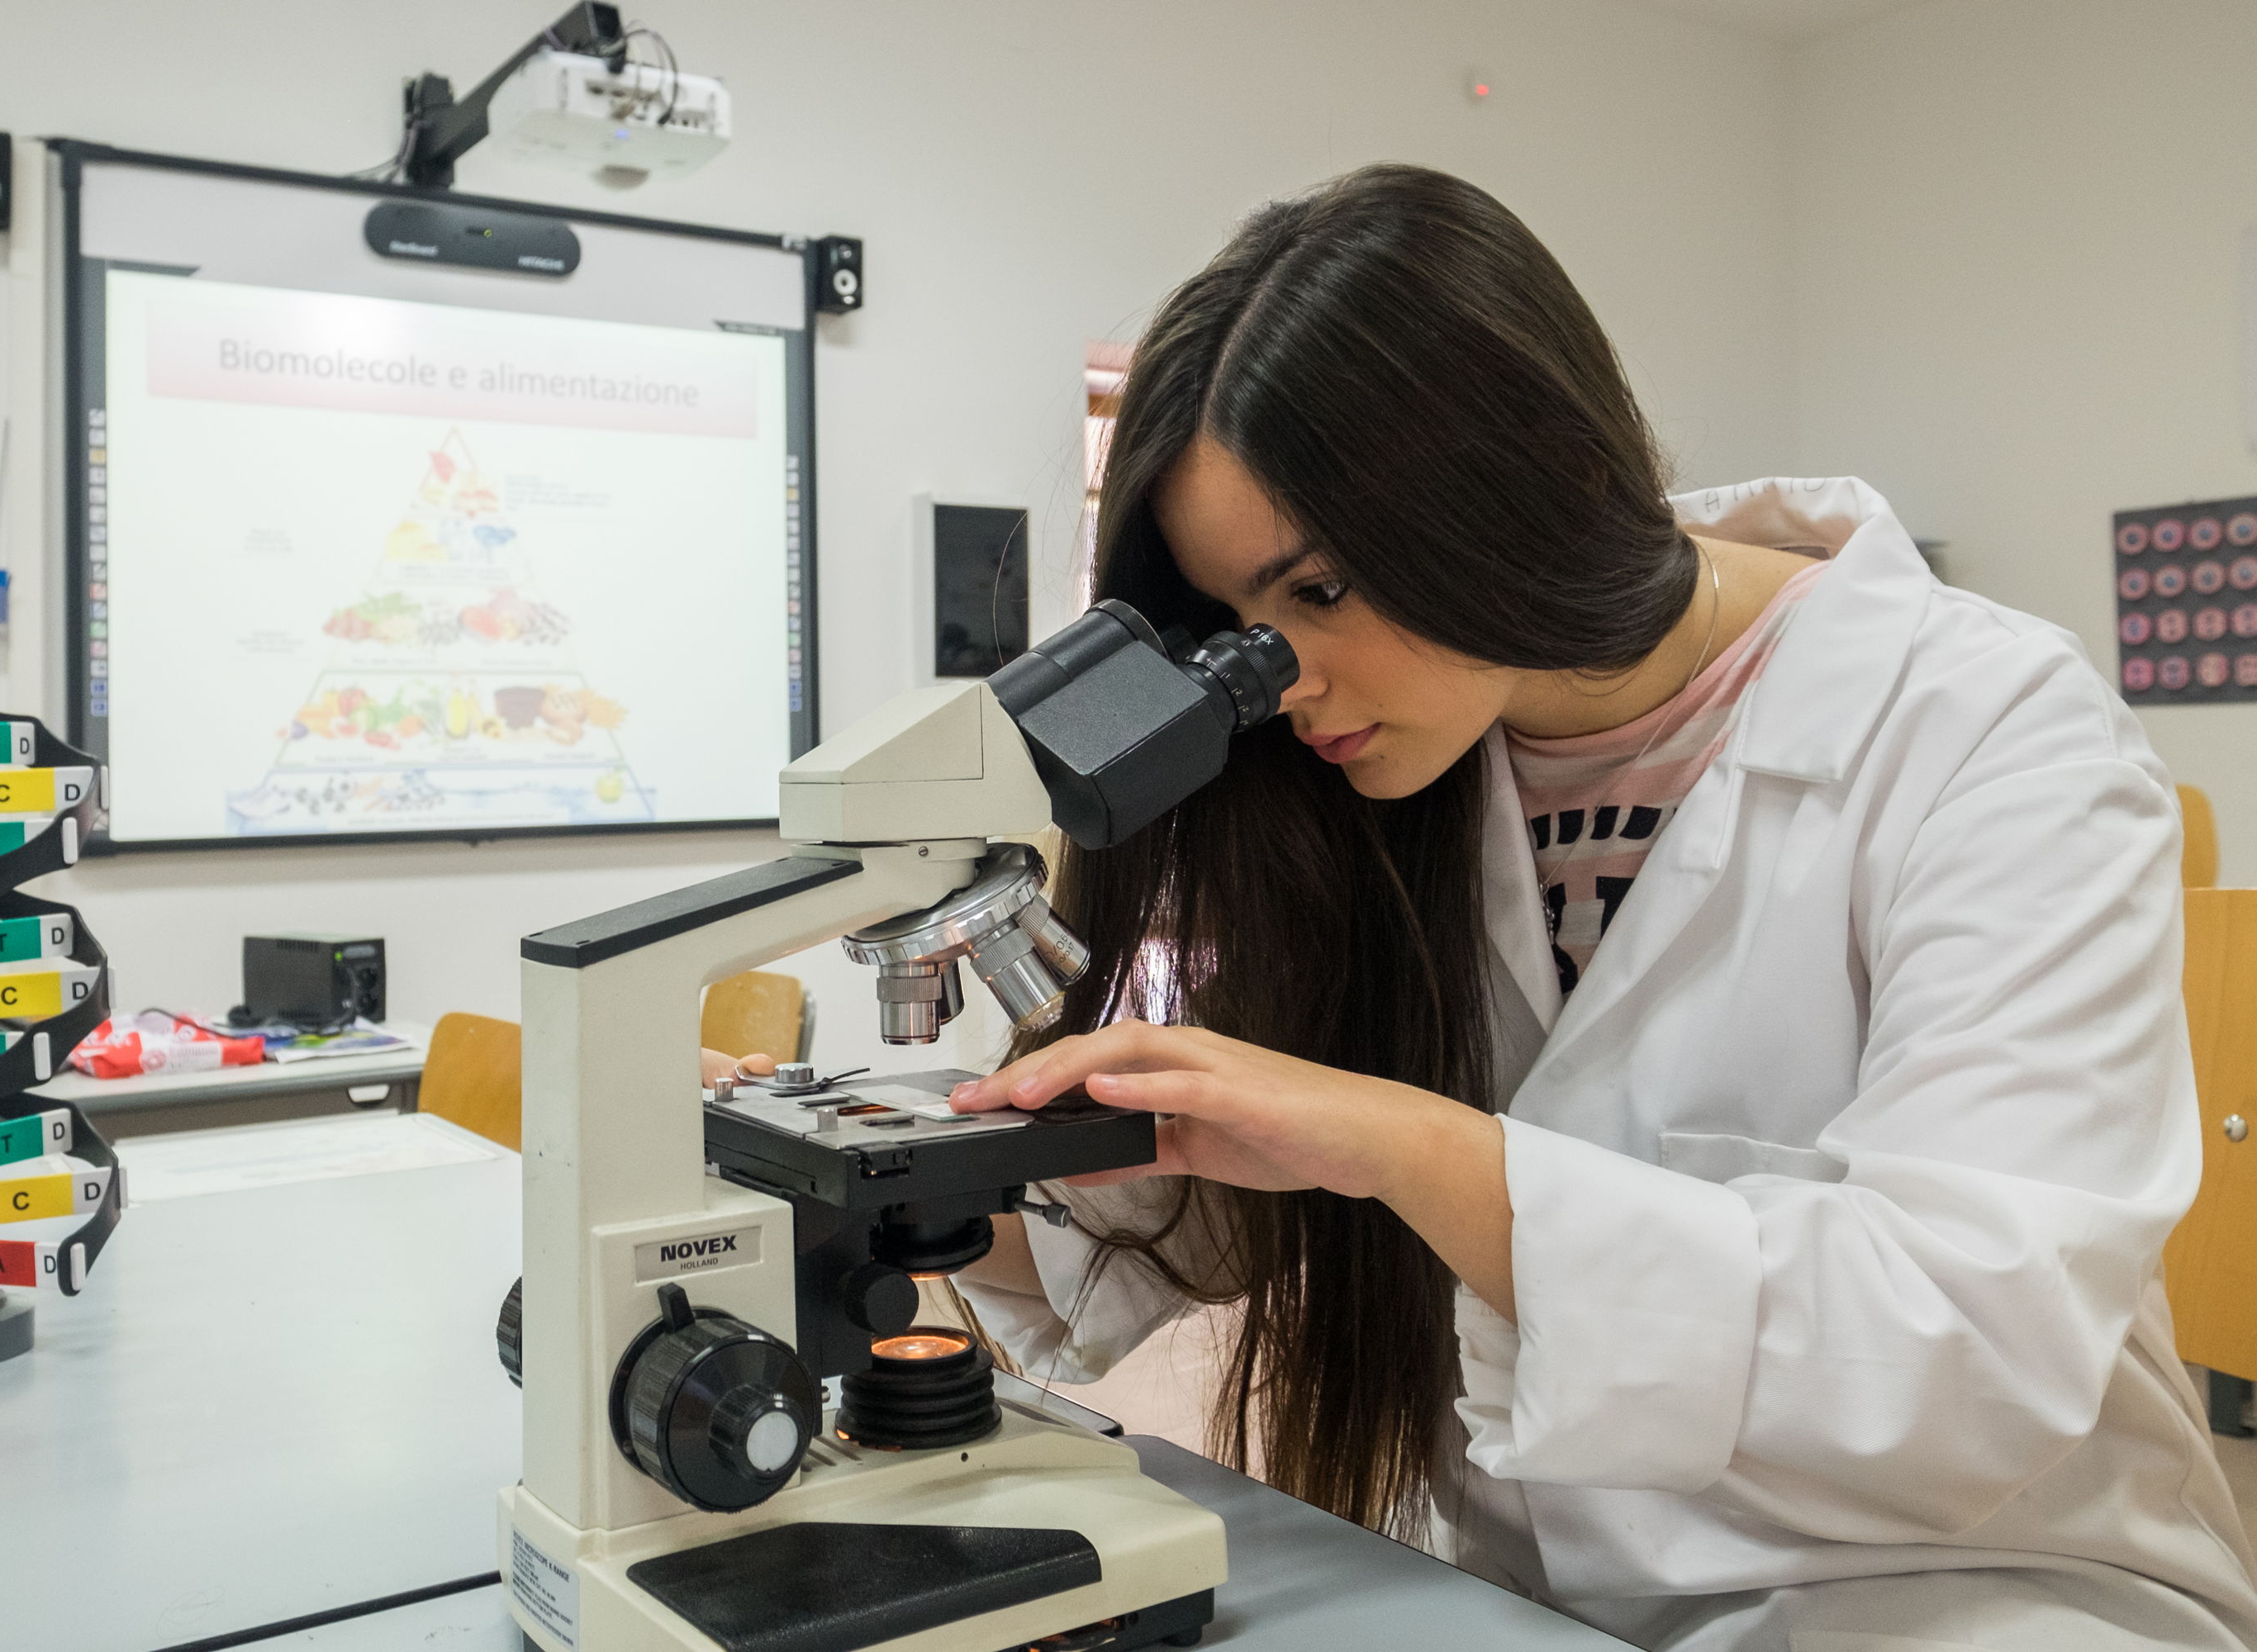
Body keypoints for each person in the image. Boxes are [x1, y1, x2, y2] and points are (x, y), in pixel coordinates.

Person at [944, 165, 2257, 1650]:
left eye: (1318, 592)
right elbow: (1204, 1222)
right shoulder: (1393, 774)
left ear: (1539, 479)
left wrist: (1415, 1148)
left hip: (1978, 1598)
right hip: (1529, 1594)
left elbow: (1969, 1353)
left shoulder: (1990, 731)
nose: (1284, 680)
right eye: (1239, 622)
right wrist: (868, 1189)